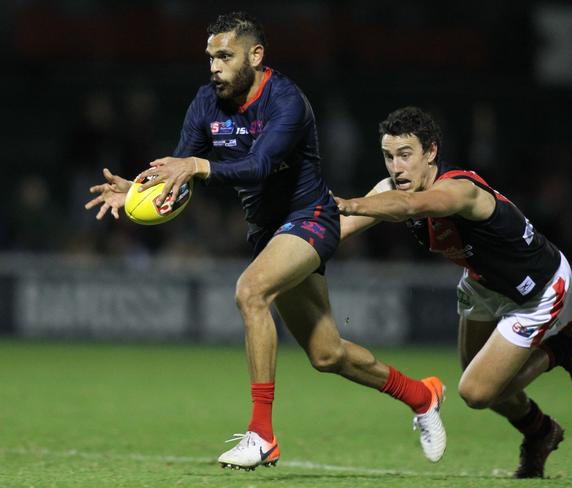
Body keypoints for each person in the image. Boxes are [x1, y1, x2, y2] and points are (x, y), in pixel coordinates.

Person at [84, 12, 446, 470]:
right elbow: (183, 169)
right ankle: (422, 395)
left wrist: (195, 167)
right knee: (327, 354)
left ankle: (262, 435)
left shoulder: (286, 101)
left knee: (250, 291)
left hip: (311, 217)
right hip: (268, 233)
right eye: (211, 57)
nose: (215, 66)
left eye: (225, 56)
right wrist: (138, 190)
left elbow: (257, 165)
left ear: (255, 56)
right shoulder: (204, 103)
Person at [334, 106, 572, 479]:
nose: (396, 167)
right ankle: (540, 432)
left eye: (406, 155)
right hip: (482, 283)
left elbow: (409, 206)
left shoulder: (460, 191)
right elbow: (339, 230)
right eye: (389, 156)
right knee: (481, 377)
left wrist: (353, 203)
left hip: (535, 289)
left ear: (431, 153)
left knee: (476, 392)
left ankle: (565, 347)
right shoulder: (392, 192)